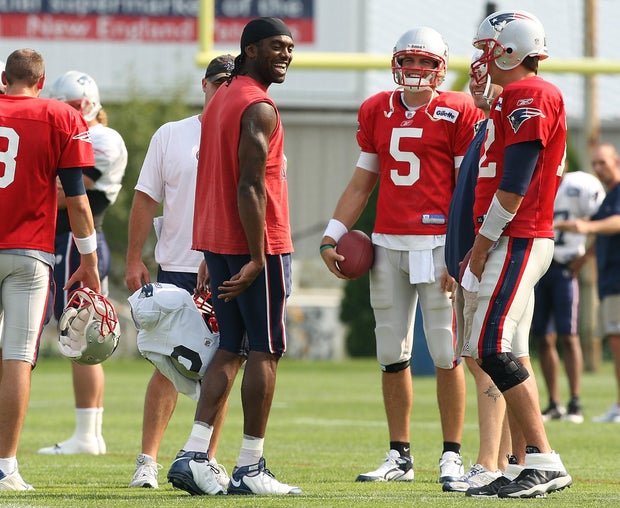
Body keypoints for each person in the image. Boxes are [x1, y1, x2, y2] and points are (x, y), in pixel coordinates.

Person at [320, 27, 483, 484]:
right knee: (392, 352)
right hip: (387, 243)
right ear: (395, 64)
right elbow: (361, 183)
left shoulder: (457, 111)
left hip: (436, 246)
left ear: (440, 67)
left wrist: (461, 250)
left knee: (447, 352)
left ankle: (451, 453)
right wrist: (331, 237)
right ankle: (400, 456)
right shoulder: (376, 110)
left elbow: (465, 190)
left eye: (425, 63)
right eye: (408, 61)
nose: (415, 71)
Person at [166, 17, 301, 496]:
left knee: (231, 346)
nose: (285, 55)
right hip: (251, 244)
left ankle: (194, 453)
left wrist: (210, 247)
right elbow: (248, 184)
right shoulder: (257, 105)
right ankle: (250, 466)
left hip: (217, 240)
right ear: (250, 49)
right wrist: (259, 255)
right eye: (274, 47)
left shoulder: (222, 95)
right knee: (266, 349)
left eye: (289, 47)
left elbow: (215, 176)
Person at [461, 10, 572, 498]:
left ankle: (543, 461)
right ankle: (519, 466)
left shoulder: (532, 95)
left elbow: (515, 184)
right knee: (502, 348)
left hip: (518, 237)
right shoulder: (512, 99)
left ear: (507, 50)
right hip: (514, 236)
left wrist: (483, 244)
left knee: (492, 348)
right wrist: (488, 107)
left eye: (487, 48)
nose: (481, 59)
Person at [124, 55, 234, 489]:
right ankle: (147, 460)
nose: (224, 90)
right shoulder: (172, 134)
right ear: (204, 85)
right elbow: (145, 197)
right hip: (177, 265)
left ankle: (204, 459)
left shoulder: (248, 131)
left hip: (226, 265)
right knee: (169, 366)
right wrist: (135, 257)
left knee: (220, 369)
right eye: (218, 82)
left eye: (232, 83)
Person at [0, 48, 100, 491]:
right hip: (30, 252)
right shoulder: (60, 117)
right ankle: (5, 467)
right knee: (18, 358)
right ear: (41, 84)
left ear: (5, 78)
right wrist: (89, 261)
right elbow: (78, 199)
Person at [37, 71, 127, 456]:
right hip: (62, 240)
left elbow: (65, 197)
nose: (73, 113)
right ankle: (88, 434)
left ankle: (88, 435)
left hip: (79, 242)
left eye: (76, 106)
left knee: (81, 333)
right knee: (73, 332)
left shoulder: (102, 139)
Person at [443, 52, 514, 493]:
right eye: (473, 76)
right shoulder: (482, 129)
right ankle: (512, 458)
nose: (476, 83)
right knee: (484, 358)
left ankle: (490, 461)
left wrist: (479, 252)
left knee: (488, 357)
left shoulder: (505, 129)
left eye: (485, 75)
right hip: (472, 257)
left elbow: (506, 195)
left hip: (491, 256)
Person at [533, 169, 604, 424]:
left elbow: (602, 221)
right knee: (543, 336)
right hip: (540, 267)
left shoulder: (581, 184)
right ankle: (554, 403)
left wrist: (585, 258)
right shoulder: (535, 178)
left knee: (569, 334)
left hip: (565, 266)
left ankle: (575, 401)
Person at [556, 143, 620, 424]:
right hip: (609, 277)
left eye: (603, 162)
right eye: (595, 163)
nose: (598, 168)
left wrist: (588, 228)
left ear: (615, 161)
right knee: (615, 341)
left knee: (617, 342)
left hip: (617, 278)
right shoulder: (608, 196)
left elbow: (615, 222)